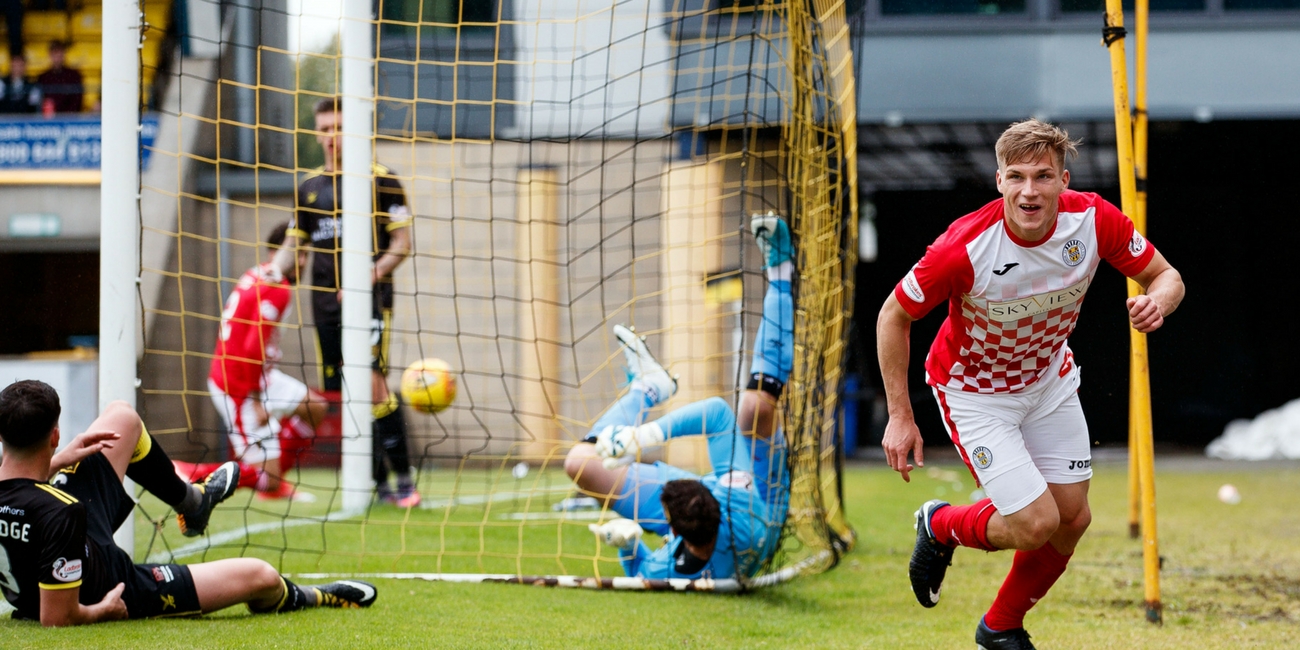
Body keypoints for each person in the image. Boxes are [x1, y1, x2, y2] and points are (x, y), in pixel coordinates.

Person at [877, 119, 1185, 649]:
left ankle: (1000, 627)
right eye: (1016, 177)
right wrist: (901, 415)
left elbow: (1167, 275)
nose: (1029, 191)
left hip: (1048, 382)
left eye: (1043, 176)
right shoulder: (963, 246)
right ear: (998, 181)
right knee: (1036, 521)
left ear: (1064, 179)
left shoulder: (1093, 220)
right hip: (974, 393)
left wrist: (1157, 301)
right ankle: (941, 523)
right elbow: (892, 316)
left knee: (1073, 519)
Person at [0, 380, 377, 625]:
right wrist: (105, 610)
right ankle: (308, 596)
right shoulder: (62, 513)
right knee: (259, 575)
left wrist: (63, 458)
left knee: (121, 420)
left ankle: (193, 501)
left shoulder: (51, 504)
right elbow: (56, 619)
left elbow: (24, 498)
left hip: (60, 537)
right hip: (109, 583)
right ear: (54, 434)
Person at [565, 212, 794, 580]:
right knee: (754, 408)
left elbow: (642, 567)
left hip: (729, 512)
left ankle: (648, 388)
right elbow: (718, 414)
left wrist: (628, 544)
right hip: (762, 500)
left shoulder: (668, 567)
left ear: (672, 532)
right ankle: (781, 271)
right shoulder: (738, 502)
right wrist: (645, 438)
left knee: (579, 463)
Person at [278, 97, 417, 507]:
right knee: (340, 392)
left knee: (372, 385)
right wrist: (268, 274)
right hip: (323, 304)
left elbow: (403, 244)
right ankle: (376, 484)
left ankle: (405, 479)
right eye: (324, 129)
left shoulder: (381, 179)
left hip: (371, 300)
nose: (331, 137)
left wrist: (366, 276)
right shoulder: (309, 187)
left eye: (338, 127)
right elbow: (292, 245)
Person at [201, 222, 329, 500]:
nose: (303, 261)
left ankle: (275, 478)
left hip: (261, 374)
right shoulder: (277, 288)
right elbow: (251, 348)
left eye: (306, 254)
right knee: (265, 480)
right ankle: (183, 472)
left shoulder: (257, 274)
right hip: (236, 384)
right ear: (277, 252)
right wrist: (257, 400)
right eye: (298, 253)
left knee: (314, 407)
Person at [36, 42, 83, 114]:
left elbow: (77, 100)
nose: (57, 56)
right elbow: (38, 100)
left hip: (70, 119)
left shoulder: (74, 76)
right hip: (48, 120)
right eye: (54, 53)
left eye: (59, 53)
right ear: (50, 55)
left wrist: (68, 115)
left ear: (64, 54)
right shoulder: (43, 77)